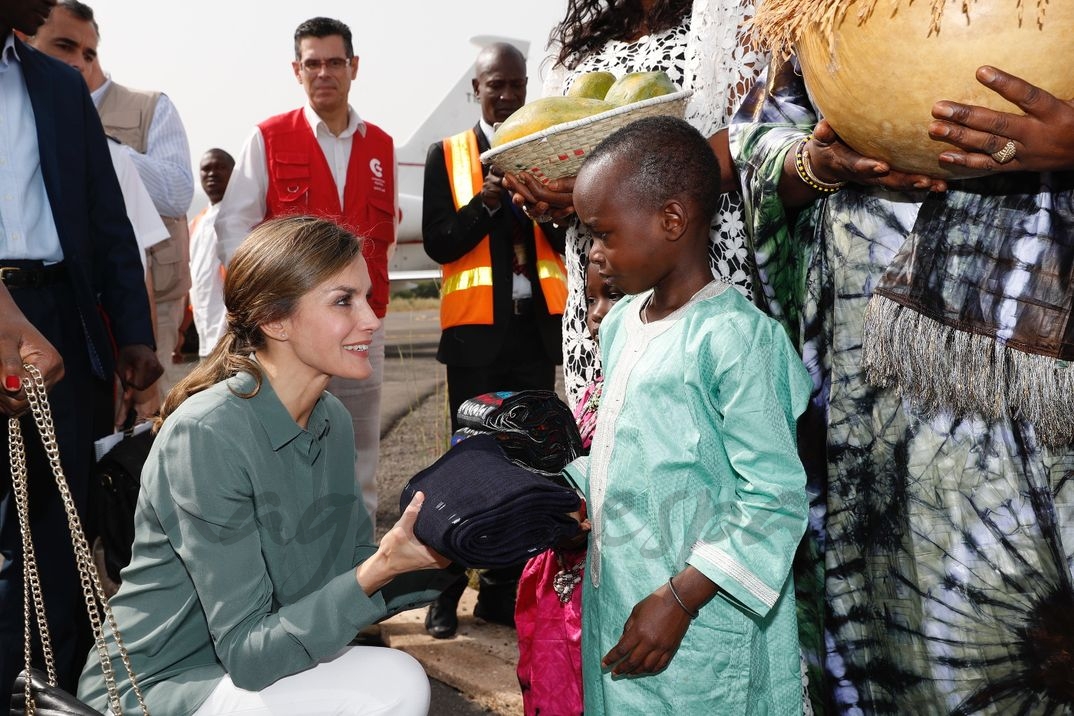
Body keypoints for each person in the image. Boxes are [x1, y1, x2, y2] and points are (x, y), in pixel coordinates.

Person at [731, 40, 1074, 713]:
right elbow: (751, 141)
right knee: (891, 618)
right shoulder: (833, 18)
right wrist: (817, 162)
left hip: (1044, 389)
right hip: (868, 374)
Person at [76, 216, 456, 716]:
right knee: (395, 682)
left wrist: (458, 543)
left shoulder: (331, 419)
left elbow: (340, 573)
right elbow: (250, 654)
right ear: (275, 321)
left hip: (250, 673)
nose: (372, 319)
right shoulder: (206, 435)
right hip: (159, 687)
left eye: (367, 296)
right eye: (344, 300)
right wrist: (379, 568)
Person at [561, 115, 809, 713]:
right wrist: (569, 491)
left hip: (698, 621)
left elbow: (774, 496)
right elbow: (632, 449)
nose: (592, 254)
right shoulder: (621, 322)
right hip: (621, 596)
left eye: (602, 234)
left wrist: (680, 598)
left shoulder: (736, 339)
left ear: (671, 221)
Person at [0, 0, 161, 704]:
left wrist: (132, 334)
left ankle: (51, 690)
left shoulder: (58, 83)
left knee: (58, 526)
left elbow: (105, 215)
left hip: (59, 316)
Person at [504, 0, 767, 409]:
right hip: (600, 284)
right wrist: (543, 198)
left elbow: (760, 136)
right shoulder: (575, 50)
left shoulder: (735, 13)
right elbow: (549, 141)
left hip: (700, 262)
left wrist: (613, 186)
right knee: (614, 433)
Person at [216, 16, 396, 526]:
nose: (324, 73)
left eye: (334, 62)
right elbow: (234, 225)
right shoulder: (269, 138)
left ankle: (355, 572)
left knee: (359, 452)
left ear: (353, 67)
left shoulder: (380, 146)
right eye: (312, 63)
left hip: (363, 328)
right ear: (297, 70)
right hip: (290, 334)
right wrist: (264, 303)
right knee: (282, 446)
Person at [420, 41, 568, 640]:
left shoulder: (546, 148)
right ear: (475, 90)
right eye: (494, 86)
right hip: (476, 341)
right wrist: (485, 206)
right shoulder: (448, 155)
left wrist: (545, 209)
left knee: (527, 462)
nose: (506, 96)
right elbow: (439, 242)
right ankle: (443, 590)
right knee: (466, 461)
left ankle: (501, 591)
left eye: (515, 84)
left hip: (534, 337)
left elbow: (564, 240)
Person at [25, 1, 170, 426]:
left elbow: (125, 251)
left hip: (73, 341)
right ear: (24, 40)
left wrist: (137, 342)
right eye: (65, 45)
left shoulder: (115, 156)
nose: (79, 63)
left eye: (90, 54)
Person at [515, 259, 618, 715]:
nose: (593, 314)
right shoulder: (597, 384)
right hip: (565, 576)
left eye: (610, 296)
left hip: (610, 584)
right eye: (590, 299)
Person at [187, 148, 235, 359]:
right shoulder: (197, 223)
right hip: (205, 335)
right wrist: (182, 329)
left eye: (220, 167)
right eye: (206, 169)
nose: (212, 174)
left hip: (234, 336)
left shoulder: (242, 219)